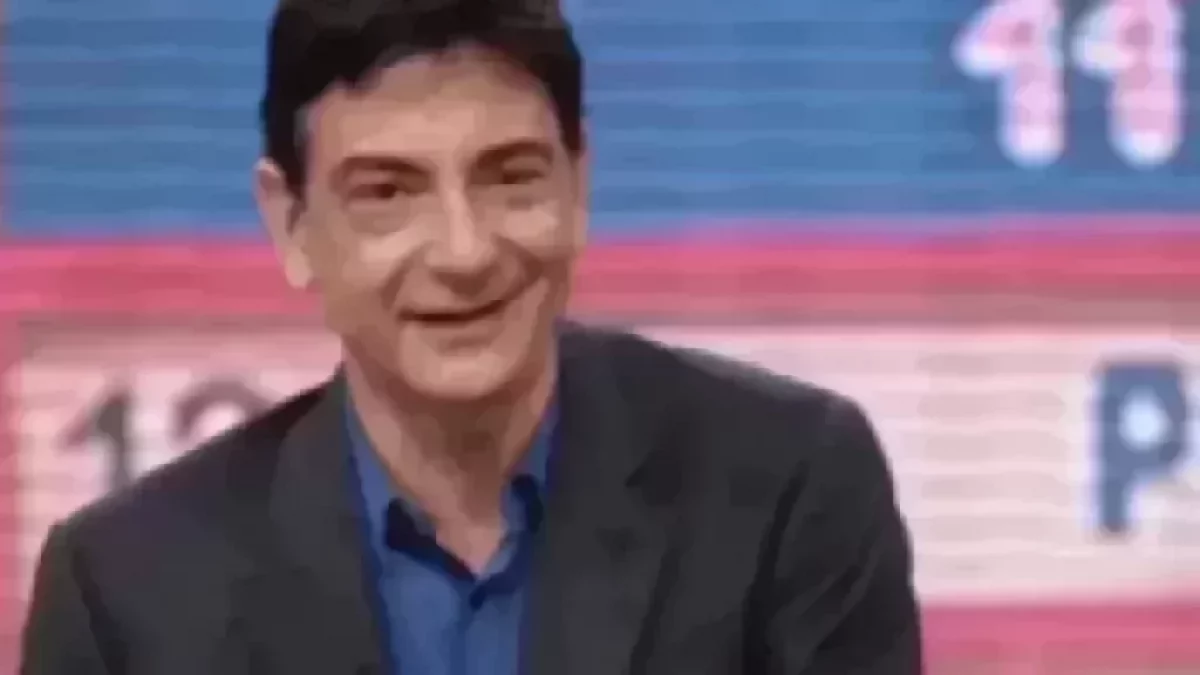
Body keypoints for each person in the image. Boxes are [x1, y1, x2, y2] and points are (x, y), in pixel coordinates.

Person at [19, 0, 922, 672]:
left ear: (578, 184)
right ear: (291, 222)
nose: (464, 251)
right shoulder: (128, 592)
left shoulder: (786, 489)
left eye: (510, 177)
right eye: (387, 192)